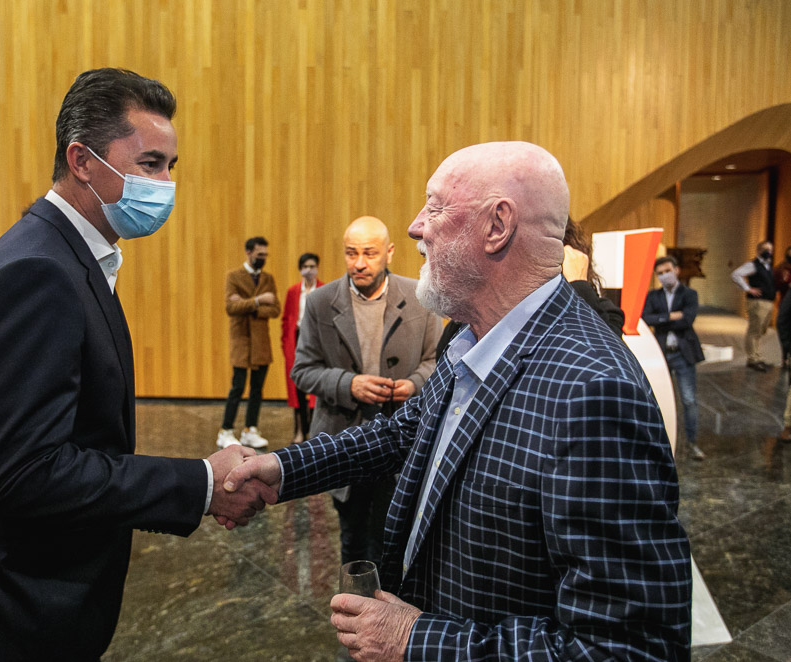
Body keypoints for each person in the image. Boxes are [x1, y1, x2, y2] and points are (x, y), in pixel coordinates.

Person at [223, 141, 691, 660]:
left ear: (497, 226)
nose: (415, 227)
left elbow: (629, 647)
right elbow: (401, 433)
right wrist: (282, 469)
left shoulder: (595, 391)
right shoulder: (469, 335)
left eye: (435, 206)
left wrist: (415, 639)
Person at [0, 68, 276, 662]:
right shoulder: (37, 272)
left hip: (35, 602)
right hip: (10, 614)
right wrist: (201, 484)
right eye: (150, 164)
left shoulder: (66, 255)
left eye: (171, 167)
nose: (166, 184)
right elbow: (24, 473)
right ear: (81, 161)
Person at [290, 216, 440, 567]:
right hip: (343, 439)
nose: (359, 263)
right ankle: (354, 601)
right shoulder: (321, 302)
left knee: (393, 544)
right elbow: (303, 370)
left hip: (401, 439)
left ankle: (389, 603)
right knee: (352, 542)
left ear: (389, 252)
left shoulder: (420, 298)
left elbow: (437, 360)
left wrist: (414, 384)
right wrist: (349, 384)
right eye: (351, 253)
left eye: (369, 253)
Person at [434, 217, 623, 359]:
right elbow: (445, 356)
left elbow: (603, 360)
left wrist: (577, 285)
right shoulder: (493, 313)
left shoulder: (601, 311)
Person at [217, 237, 281, 449]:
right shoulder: (234, 276)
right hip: (242, 340)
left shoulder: (268, 278)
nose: (263, 258)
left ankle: (250, 429)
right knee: (237, 387)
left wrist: (246, 304)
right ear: (248, 252)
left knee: (257, 389)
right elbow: (230, 308)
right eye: (260, 254)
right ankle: (226, 430)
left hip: (261, 342)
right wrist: (258, 301)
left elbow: (275, 309)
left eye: (265, 255)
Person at [643, 255, 706, 460]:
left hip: (682, 353)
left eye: (667, 271)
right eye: (660, 273)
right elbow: (646, 318)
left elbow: (687, 319)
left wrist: (661, 319)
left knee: (688, 400)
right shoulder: (653, 296)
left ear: (676, 270)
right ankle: (661, 442)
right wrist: (671, 316)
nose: (664, 276)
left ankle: (692, 443)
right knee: (659, 399)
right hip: (661, 354)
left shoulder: (689, 294)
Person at [280, 252, 324, 443]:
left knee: (315, 386)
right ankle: (299, 430)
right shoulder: (293, 291)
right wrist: (286, 344)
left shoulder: (323, 289)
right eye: (305, 267)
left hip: (316, 339)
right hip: (297, 339)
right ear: (300, 269)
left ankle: (314, 431)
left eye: (312, 266)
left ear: (317, 268)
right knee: (296, 387)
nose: (309, 270)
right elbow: (286, 319)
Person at [731, 240, 776, 371]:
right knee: (754, 330)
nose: (768, 252)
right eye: (765, 249)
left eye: (770, 249)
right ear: (759, 250)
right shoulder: (753, 265)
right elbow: (736, 274)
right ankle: (752, 359)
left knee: (761, 330)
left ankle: (757, 356)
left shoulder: (768, 265)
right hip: (757, 302)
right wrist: (748, 288)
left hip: (768, 301)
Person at [774, 245, 791, 368]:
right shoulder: (781, 269)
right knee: (783, 326)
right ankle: (785, 355)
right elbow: (775, 285)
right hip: (785, 303)